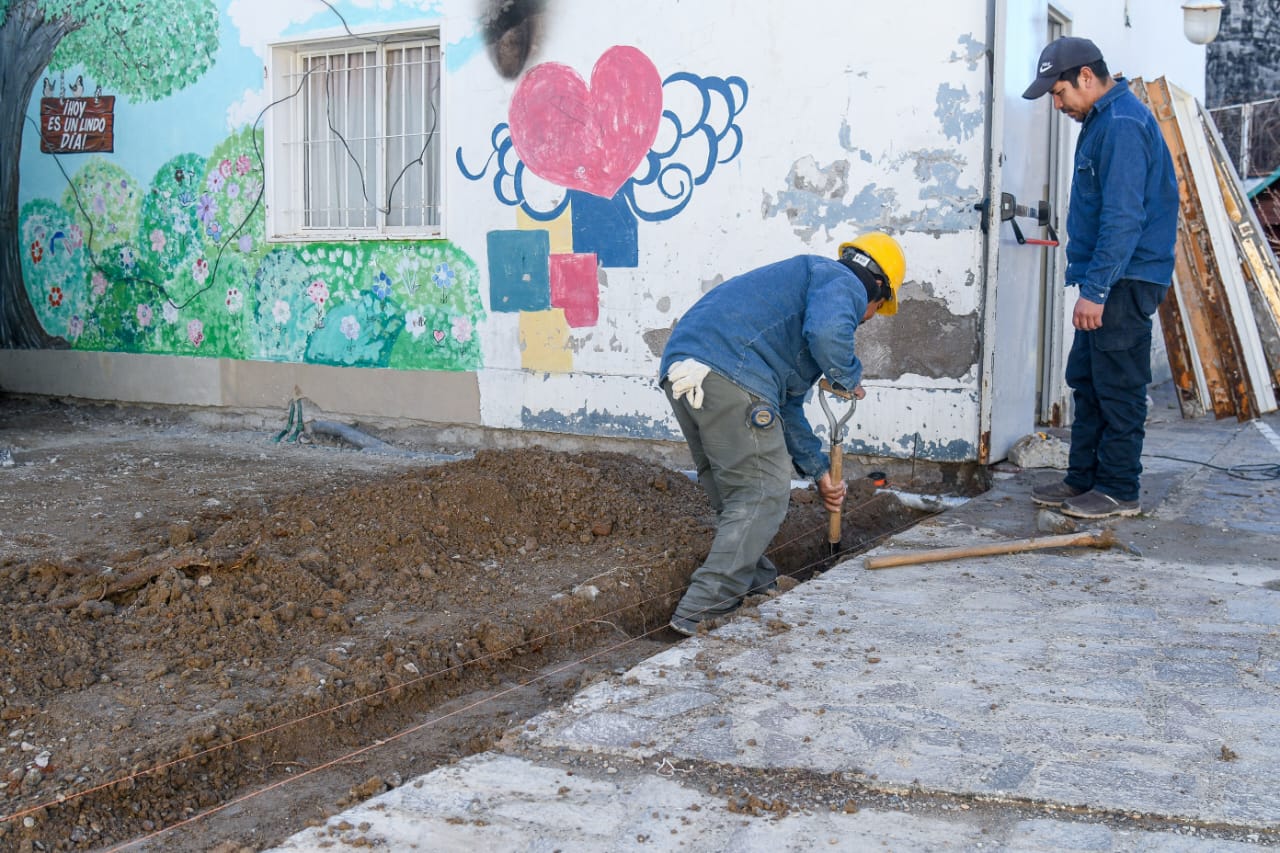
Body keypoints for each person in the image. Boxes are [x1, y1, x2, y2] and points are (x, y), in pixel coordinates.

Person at [658, 233, 905, 635]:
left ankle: (760, 587)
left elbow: (786, 408)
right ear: (877, 285)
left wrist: (820, 472)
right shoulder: (841, 280)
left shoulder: (798, 296)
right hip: (730, 374)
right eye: (875, 310)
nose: (868, 319)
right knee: (764, 492)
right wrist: (847, 376)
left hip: (685, 373)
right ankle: (702, 609)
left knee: (737, 497)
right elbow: (828, 333)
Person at [1022, 37, 1178, 520]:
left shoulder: (1122, 124)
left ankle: (1117, 489)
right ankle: (1084, 478)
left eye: (1059, 92)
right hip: (1110, 276)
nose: (1057, 104)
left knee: (1118, 385)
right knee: (1087, 380)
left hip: (1124, 279)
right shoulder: (1102, 120)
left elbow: (1123, 217)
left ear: (1086, 77)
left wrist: (1096, 290)